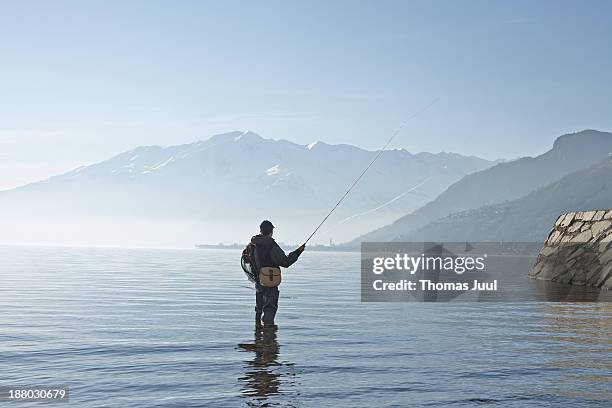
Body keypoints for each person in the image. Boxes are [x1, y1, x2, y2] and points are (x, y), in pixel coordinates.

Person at [251, 220, 305, 328]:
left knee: (259, 310)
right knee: (269, 311)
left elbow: (247, 260)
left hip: (258, 281)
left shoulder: (253, 244)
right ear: (271, 231)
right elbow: (285, 262)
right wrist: (298, 252)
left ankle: (258, 335)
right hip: (271, 283)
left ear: (260, 230)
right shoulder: (272, 246)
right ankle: (269, 338)